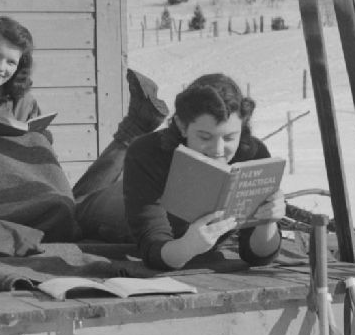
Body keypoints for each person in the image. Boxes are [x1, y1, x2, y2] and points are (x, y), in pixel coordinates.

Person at [0, 16, 170, 242]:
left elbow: (42, 164)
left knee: (63, 202)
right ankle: (132, 131)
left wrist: (39, 140)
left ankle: (133, 132)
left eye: (11, 62)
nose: (0, 67)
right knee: (71, 209)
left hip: (22, 193)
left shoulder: (23, 102)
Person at [120, 74, 286, 270]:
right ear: (182, 126)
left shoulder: (253, 154)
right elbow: (152, 249)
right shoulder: (147, 153)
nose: (218, 150)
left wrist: (267, 222)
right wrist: (187, 247)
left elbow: (258, 257)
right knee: (90, 205)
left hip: (178, 235)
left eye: (229, 137)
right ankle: (130, 129)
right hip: (116, 212)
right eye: (205, 137)